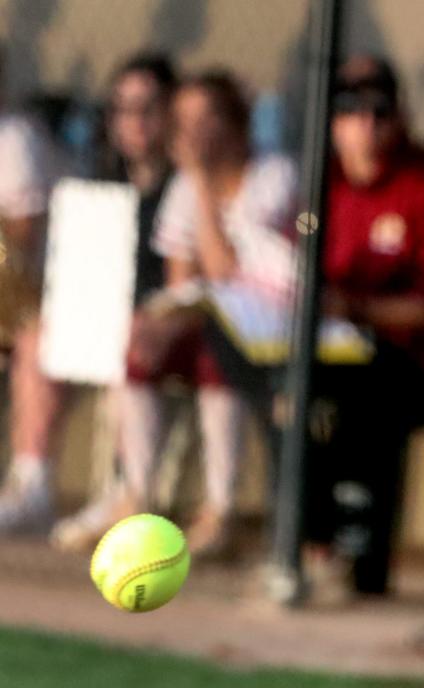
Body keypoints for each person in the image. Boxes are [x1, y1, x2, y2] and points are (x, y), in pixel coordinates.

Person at [55, 70, 299, 558]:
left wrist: (203, 182)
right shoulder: (185, 184)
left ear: (235, 122)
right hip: (216, 319)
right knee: (140, 341)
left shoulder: (274, 175)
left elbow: (224, 270)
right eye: (182, 119)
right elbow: (184, 283)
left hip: (272, 327)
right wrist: (160, 325)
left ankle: (221, 509)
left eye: (204, 117)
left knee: (216, 353)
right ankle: (137, 496)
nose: (188, 130)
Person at [299, 54, 424, 596]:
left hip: (416, 361)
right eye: (351, 109)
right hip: (334, 356)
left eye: (379, 109)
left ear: (398, 114)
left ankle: (359, 557)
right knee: (295, 397)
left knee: (363, 401)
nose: (366, 124)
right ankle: (308, 545)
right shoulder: (320, 187)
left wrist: (354, 309)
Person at [47, 53, 180, 549]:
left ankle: (133, 493)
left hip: (168, 326)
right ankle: (33, 481)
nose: (137, 121)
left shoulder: (184, 185)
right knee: (40, 334)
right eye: (124, 108)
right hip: (104, 321)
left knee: (129, 341)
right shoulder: (100, 181)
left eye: (149, 107)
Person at [0, 45, 60, 534]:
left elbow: (20, 242)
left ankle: (30, 485)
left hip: (29, 303)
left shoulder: (15, 138)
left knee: (35, 341)